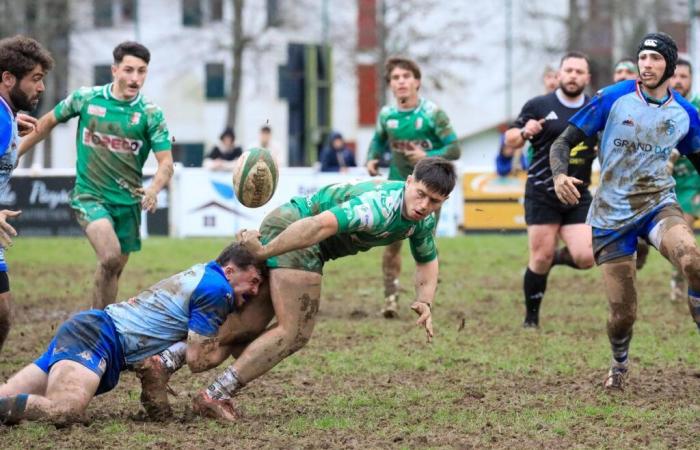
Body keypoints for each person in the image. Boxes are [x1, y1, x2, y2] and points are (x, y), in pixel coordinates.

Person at [175, 157, 456, 421]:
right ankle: (214, 394)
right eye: (421, 194)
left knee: (249, 325)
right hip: (298, 232)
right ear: (408, 181)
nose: (424, 205)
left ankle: (163, 359)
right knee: (294, 331)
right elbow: (317, 226)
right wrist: (263, 252)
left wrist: (425, 300)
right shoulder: (378, 207)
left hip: (298, 233)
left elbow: (427, 260)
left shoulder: (423, 219)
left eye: (435, 201)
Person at [550, 32, 700, 390]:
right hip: (612, 215)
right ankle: (619, 363)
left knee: (693, 261)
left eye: (655, 59)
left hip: (657, 204)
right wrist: (559, 176)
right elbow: (563, 141)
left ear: (670, 66)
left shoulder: (686, 114)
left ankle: (695, 298)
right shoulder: (612, 98)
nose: (646, 65)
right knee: (623, 314)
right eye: (642, 59)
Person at [0, 243, 266, 425]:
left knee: (7, 396)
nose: (254, 292)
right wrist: (235, 336)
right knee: (64, 410)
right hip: (99, 338)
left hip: (94, 330)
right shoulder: (219, 289)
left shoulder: (206, 272)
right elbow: (197, 359)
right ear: (230, 271)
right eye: (253, 281)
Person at [19, 41, 173, 310]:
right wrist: (14, 153)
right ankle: (95, 327)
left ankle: (95, 322)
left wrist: (154, 189)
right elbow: (46, 124)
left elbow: (166, 163)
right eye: (128, 70)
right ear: (114, 70)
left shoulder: (151, 114)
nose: (135, 78)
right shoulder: (86, 98)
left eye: (142, 71)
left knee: (112, 270)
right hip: (90, 195)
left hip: (128, 204)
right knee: (111, 256)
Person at [504, 51, 597, 328]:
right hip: (543, 192)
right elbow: (510, 138)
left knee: (586, 257)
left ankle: (555, 257)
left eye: (579, 72)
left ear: (587, 78)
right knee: (540, 257)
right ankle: (531, 319)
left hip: (578, 194)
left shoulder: (595, 108)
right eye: (568, 70)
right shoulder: (538, 105)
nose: (573, 76)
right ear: (559, 74)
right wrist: (523, 132)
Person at [365, 57, 460, 318]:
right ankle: (390, 297)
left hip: (430, 191)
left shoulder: (432, 113)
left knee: (425, 243)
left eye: (406, 76)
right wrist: (371, 158)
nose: (401, 82)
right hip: (397, 188)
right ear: (391, 85)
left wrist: (427, 156)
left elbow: (454, 148)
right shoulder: (387, 114)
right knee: (391, 244)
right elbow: (377, 141)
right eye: (395, 78)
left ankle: (425, 299)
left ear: (417, 82)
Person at [0, 36, 53, 354]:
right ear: (8, 78)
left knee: (2, 315)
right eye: (35, 79)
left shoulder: (7, 118)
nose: (41, 87)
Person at [668, 58, 700, 301]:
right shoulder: (660, 106)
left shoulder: (696, 108)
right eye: (675, 76)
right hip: (664, 183)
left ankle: (680, 281)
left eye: (684, 77)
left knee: (684, 229)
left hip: (691, 183)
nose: (678, 81)